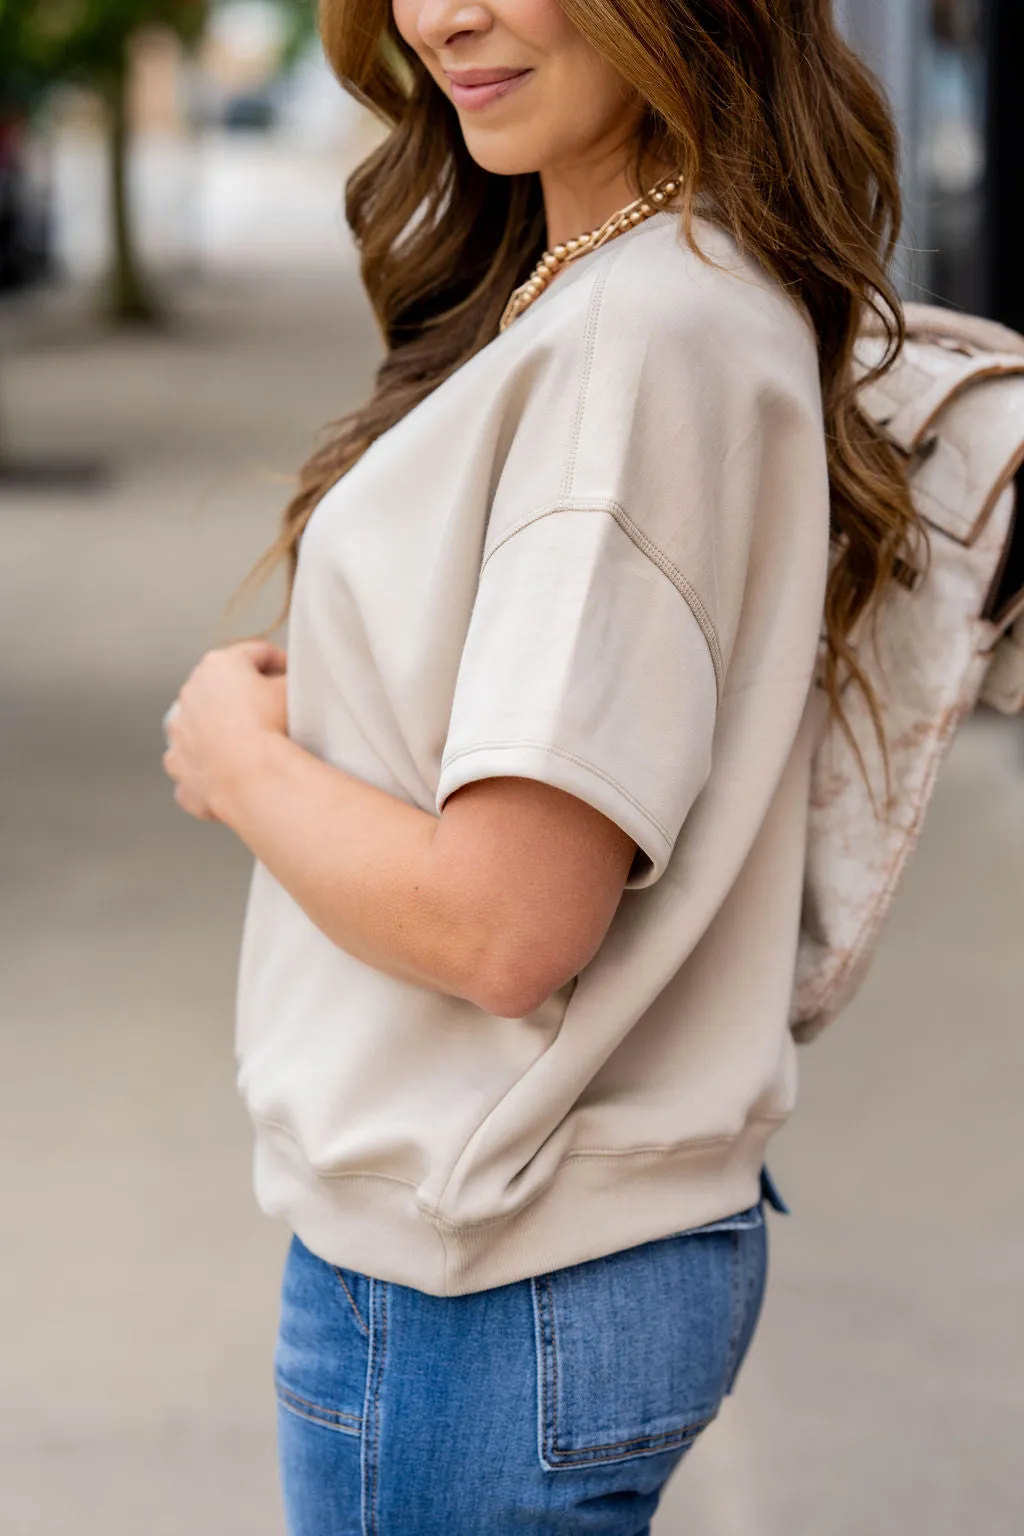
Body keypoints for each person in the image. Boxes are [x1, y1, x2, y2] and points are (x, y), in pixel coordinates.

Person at [161, 2, 917, 1531]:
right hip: (541, 1269)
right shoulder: (641, 294)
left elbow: (504, 922)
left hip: (479, 1293)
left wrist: (236, 759)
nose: (442, 14)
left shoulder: (635, 340)